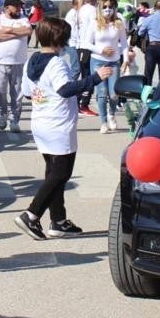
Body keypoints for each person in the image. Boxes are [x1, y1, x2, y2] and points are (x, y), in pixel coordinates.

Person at [15, 17, 113, 240]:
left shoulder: (32, 61)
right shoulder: (57, 63)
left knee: (53, 172)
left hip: (41, 122)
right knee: (61, 173)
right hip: (58, 125)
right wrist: (95, 78)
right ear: (61, 40)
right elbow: (65, 89)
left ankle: (58, 221)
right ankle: (31, 214)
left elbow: (29, 92)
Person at [0, 0, 32, 133]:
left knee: (17, 94)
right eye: (16, 7)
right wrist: (16, 34)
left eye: (20, 6)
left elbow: (28, 31)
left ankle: (14, 120)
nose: (19, 9)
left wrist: (9, 31)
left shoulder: (23, 20)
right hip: (0, 62)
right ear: (7, 8)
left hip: (18, 62)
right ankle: (3, 113)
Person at [90, 0, 132, 133]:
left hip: (114, 62)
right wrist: (101, 50)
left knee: (114, 94)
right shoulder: (94, 23)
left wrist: (125, 59)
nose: (107, 9)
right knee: (102, 93)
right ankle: (103, 122)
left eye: (110, 7)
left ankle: (111, 114)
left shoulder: (118, 24)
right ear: (100, 8)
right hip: (97, 61)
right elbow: (85, 43)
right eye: (105, 6)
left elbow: (124, 43)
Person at [76, 0, 99, 116]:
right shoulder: (93, 11)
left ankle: (80, 103)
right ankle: (83, 104)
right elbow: (96, 27)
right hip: (88, 46)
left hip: (80, 46)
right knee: (89, 76)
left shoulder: (81, 9)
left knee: (85, 75)